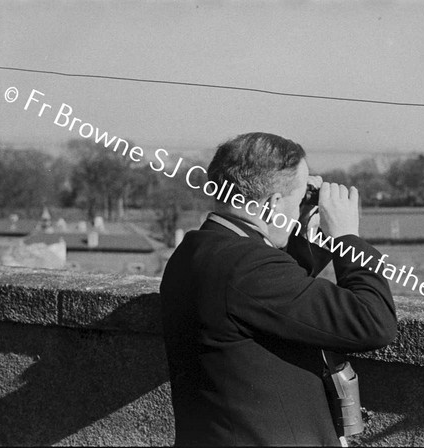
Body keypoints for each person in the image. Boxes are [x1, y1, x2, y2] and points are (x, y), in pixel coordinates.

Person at [160, 132, 397, 446]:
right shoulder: (247, 268)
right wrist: (346, 239)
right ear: (272, 203)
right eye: (297, 199)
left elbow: (277, 294)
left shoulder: (195, 250)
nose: (299, 205)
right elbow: (373, 323)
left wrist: (299, 222)